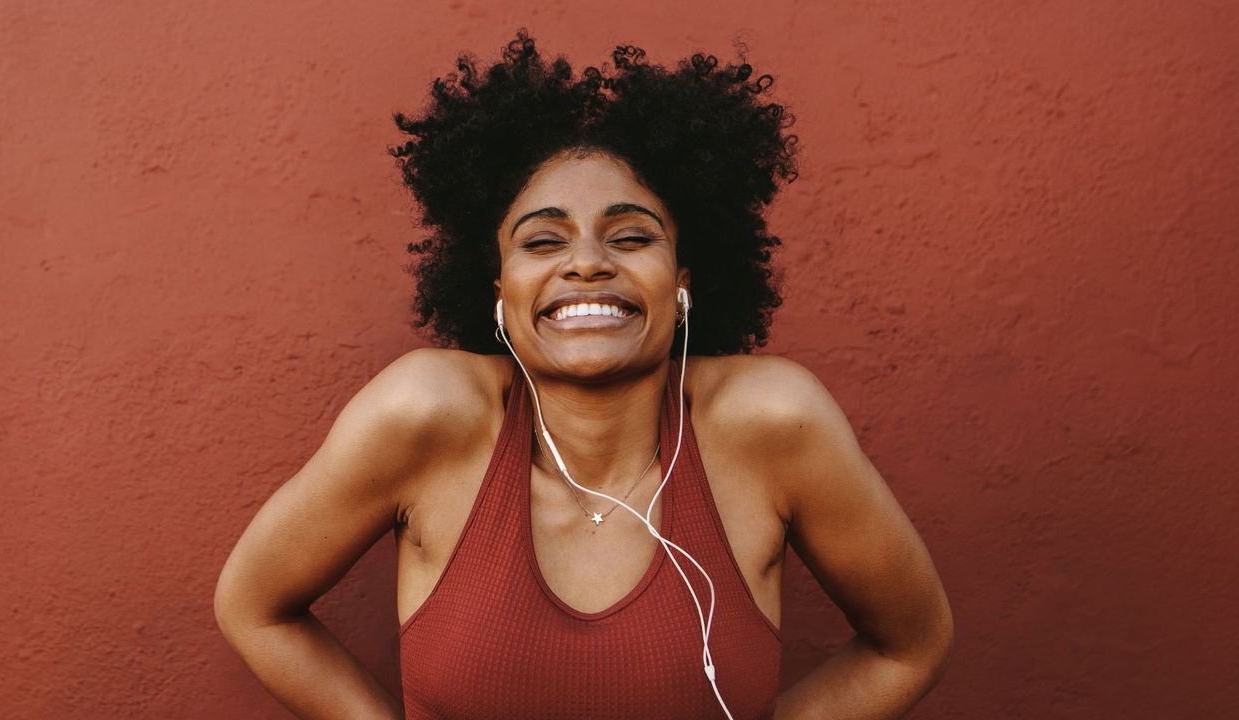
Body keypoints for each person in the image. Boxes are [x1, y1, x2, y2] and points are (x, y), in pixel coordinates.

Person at [214, 30, 952, 720]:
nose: (589, 261)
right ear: (500, 290)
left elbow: (910, 644)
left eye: (631, 235)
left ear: (683, 281)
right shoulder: (426, 414)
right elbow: (253, 605)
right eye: (543, 240)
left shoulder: (772, 424)